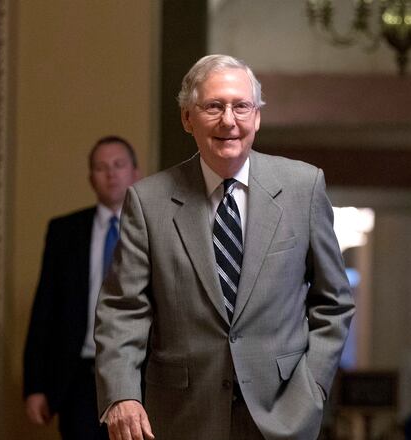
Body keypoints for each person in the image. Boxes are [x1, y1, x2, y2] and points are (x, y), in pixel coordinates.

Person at [94, 54, 355, 440]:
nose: (229, 121)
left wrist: (312, 388)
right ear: (187, 118)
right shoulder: (148, 202)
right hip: (182, 417)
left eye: (241, 106)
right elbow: (122, 311)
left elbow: (333, 301)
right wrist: (122, 395)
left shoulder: (304, 187)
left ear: (257, 118)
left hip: (283, 414)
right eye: (213, 106)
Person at [23, 136, 141, 439]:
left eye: (118, 165)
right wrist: (35, 386)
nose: (111, 174)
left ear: (134, 173)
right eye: (101, 168)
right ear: (91, 178)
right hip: (78, 378)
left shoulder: (152, 227)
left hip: (139, 376)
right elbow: (44, 310)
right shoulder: (64, 231)